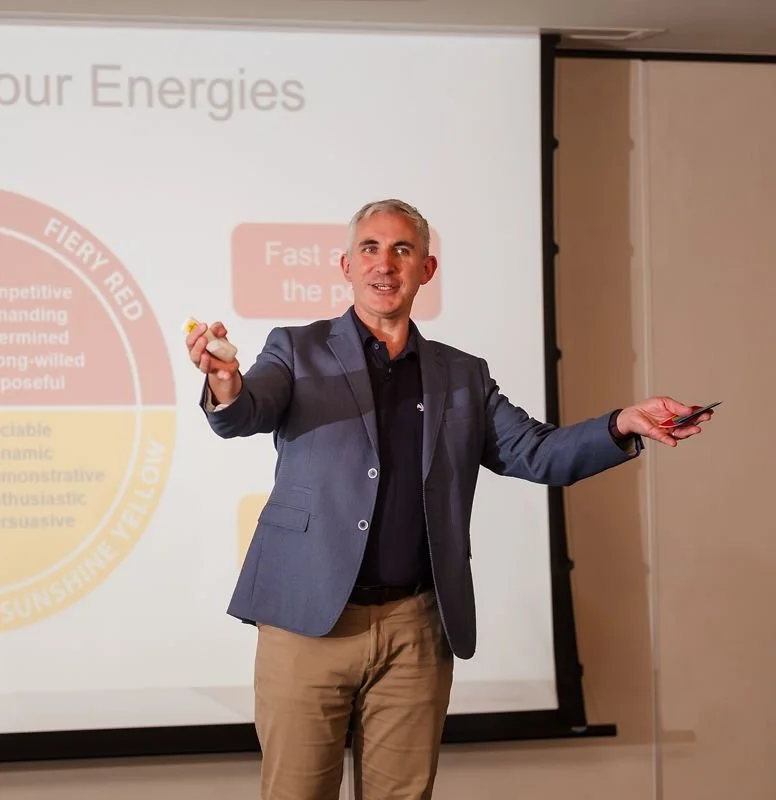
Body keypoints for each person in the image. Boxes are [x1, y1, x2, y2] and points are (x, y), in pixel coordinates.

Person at [184, 199, 712, 800]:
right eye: (370, 249)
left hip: (415, 629)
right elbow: (247, 410)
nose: (385, 264)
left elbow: (537, 453)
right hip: (307, 623)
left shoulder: (463, 375)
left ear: (426, 270)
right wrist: (225, 385)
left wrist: (622, 423)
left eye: (402, 250)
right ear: (346, 266)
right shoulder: (295, 349)